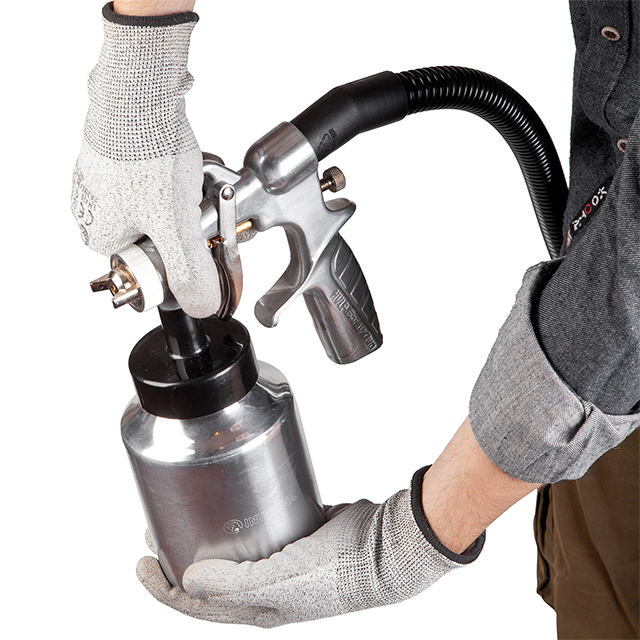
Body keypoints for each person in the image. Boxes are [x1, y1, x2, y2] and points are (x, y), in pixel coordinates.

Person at [71, 0, 639, 636]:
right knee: (595, 595)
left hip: (599, 365)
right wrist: (139, 67)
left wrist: (404, 546)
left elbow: (627, 293)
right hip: (591, 383)